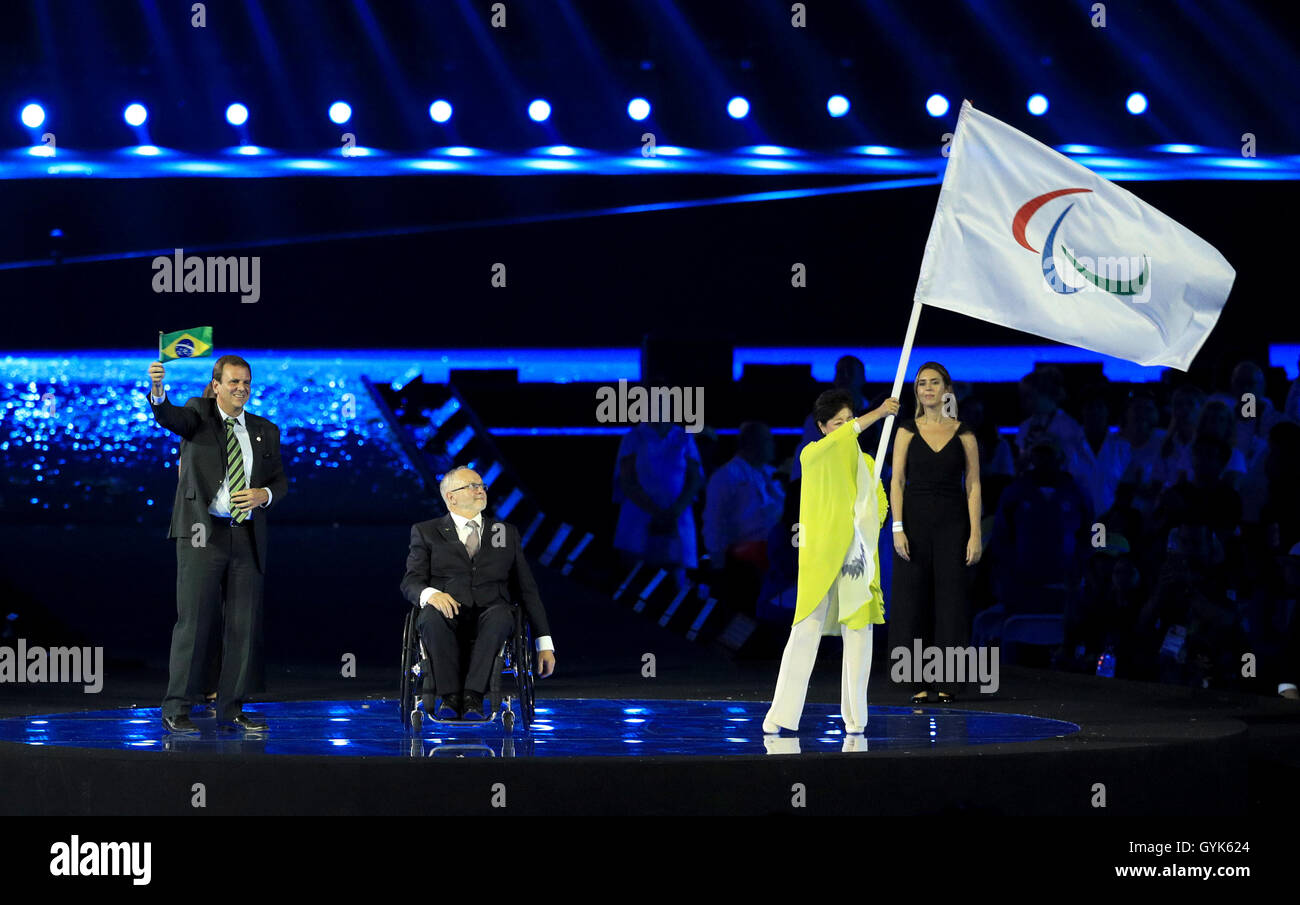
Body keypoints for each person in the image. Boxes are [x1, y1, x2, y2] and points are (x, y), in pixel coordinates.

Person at [148, 355, 287, 734]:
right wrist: (158, 392)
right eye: (233, 382)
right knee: (194, 620)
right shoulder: (199, 414)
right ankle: (177, 707)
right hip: (201, 534)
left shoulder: (265, 430)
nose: (241, 388)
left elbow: (279, 482)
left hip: (246, 536)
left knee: (243, 624)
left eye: (246, 383)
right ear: (216, 385)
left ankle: (232, 707)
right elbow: (168, 417)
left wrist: (264, 495)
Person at [763, 388, 899, 735]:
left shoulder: (868, 462)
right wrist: (880, 412)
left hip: (856, 556)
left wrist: (872, 508)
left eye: (849, 420)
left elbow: (880, 508)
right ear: (822, 428)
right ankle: (780, 715)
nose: (845, 427)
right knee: (805, 630)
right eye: (836, 423)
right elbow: (844, 439)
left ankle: (856, 720)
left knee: (858, 632)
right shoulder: (813, 455)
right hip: (822, 555)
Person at [400, 466, 556, 720]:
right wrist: (430, 594)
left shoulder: (504, 533)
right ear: (451, 497)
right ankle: (450, 696)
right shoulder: (427, 531)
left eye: (481, 485)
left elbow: (527, 589)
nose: (480, 490)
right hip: (447, 612)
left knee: (501, 616)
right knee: (429, 616)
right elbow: (410, 581)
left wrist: (544, 643)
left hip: (492, 612)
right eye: (471, 486)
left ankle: (473, 696)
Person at [890, 361, 982, 703]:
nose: (927, 388)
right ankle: (914, 679)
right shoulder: (905, 431)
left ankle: (949, 681)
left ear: (946, 388)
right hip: (913, 522)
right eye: (922, 383)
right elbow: (896, 481)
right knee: (913, 599)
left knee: (951, 602)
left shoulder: (965, 433)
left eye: (934, 382)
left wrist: (975, 534)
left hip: (953, 523)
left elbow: (972, 485)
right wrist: (897, 528)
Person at [703, 422, 785, 611]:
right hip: (742, 561)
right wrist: (717, 561)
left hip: (775, 558)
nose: (773, 445)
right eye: (768, 441)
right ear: (752, 443)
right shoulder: (725, 476)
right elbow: (714, 521)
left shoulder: (774, 474)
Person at [612, 420, 704, 589]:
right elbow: (626, 480)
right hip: (638, 521)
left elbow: (695, 478)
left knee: (676, 584)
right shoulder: (633, 437)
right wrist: (655, 512)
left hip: (677, 520)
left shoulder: (684, 437)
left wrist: (674, 512)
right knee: (634, 584)